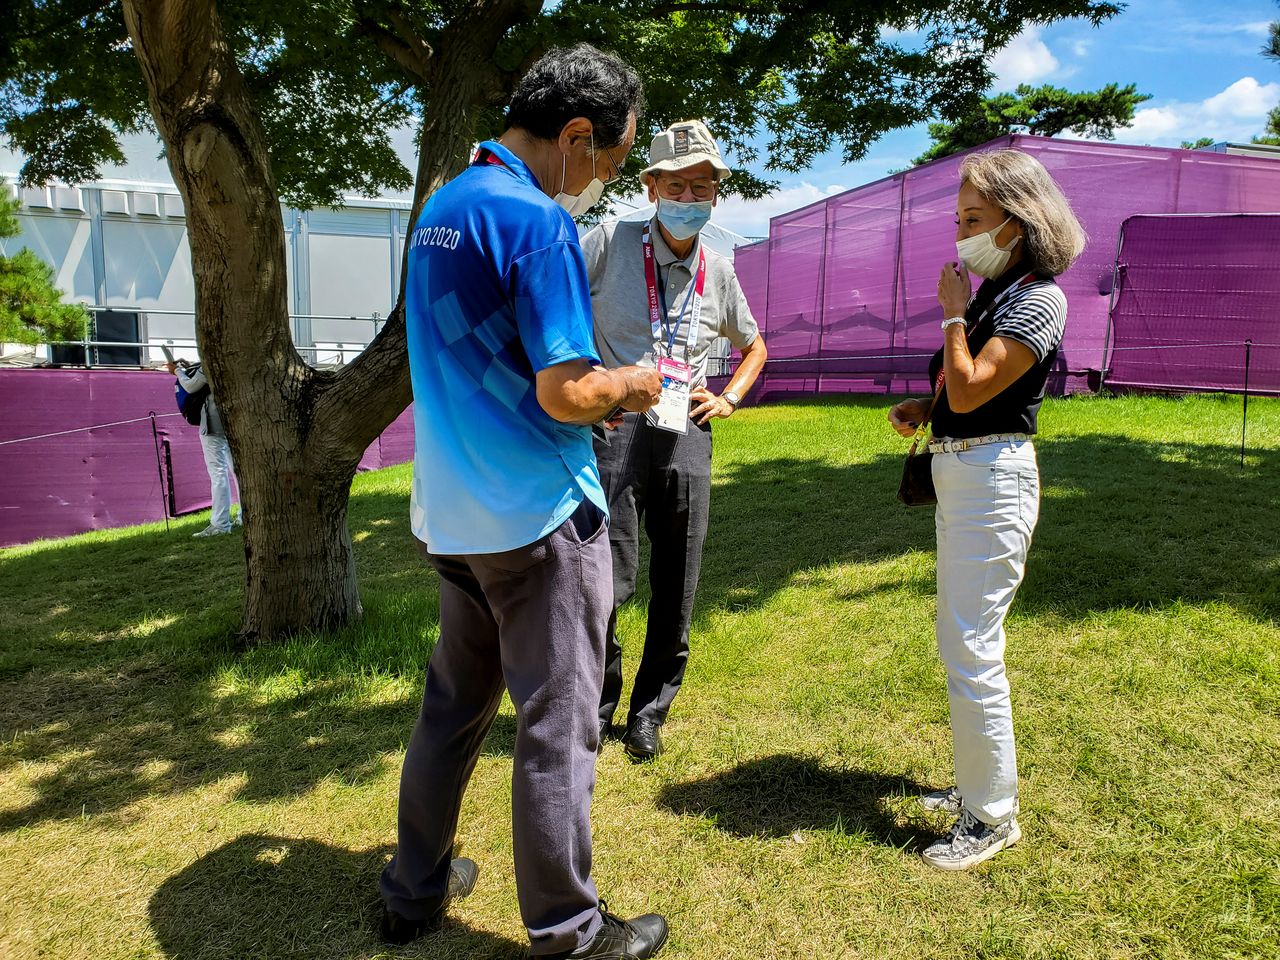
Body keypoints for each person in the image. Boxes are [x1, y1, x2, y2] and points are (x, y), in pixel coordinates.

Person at [379, 44, 670, 960]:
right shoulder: (535, 220)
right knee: (559, 726)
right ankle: (570, 934)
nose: (602, 184)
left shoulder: (442, 206)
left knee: (451, 708)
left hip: (452, 519)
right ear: (578, 137)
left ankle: (413, 891)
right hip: (538, 521)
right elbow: (566, 392)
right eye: (611, 163)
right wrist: (634, 382)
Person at [888, 149, 1084, 870]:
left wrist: (948, 317)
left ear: (1019, 218)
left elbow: (974, 390)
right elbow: (962, 394)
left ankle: (992, 817)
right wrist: (925, 407)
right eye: (960, 218)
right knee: (960, 638)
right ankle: (978, 789)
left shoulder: (1040, 297)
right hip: (966, 477)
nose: (963, 233)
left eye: (976, 218)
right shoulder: (997, 292)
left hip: (994, 482)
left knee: (972, 646)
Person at [580, 120, 768, 761]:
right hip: (615, 427)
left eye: (705, 186)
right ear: (651, 185)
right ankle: (598, 704)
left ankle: (649, 711)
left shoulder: (720, 265)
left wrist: (730, 395)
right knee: (606, 576)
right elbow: (557, 312)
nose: (692, 197)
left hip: (685, 427)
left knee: (678, 577)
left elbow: (755, 343)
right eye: (679, 184)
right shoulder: (606, 241)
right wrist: (592, 391)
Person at [164, 358, 242, 537]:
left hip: (213, 422)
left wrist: (177, 371)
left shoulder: (212, 362)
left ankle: (220, 524)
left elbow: (191, 386)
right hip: (234, 421)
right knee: (237, 471)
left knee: (218, 474)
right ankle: (244, 515)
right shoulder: (234, 359)